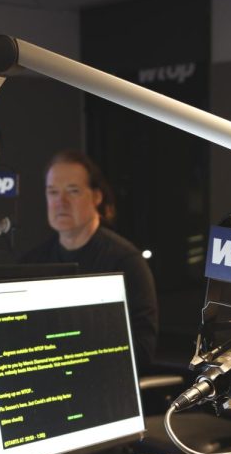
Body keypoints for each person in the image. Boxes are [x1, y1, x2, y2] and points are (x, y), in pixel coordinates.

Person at [21, 150, 158, 370]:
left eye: (72, 191)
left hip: (103, 384)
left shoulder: (125, 262)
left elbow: (142, 350)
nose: (61, 202)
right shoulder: (32, 263)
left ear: (96, 196)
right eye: (53, 192)